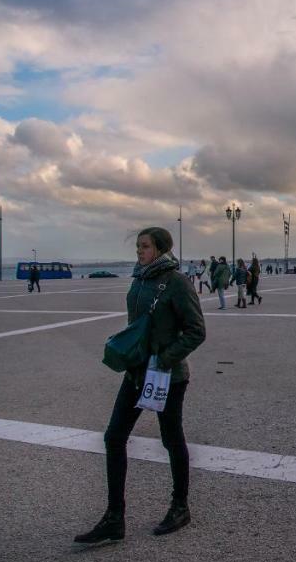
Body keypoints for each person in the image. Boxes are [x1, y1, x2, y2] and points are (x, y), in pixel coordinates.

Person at [74, 227, 205, 544]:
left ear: (161, 249)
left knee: (171, 440)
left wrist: (165, 358)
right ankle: (114, 517)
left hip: (166, 376)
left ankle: (180, 506)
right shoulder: (140, 279)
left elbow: (196, 330)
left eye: (144, 246)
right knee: (114, 437)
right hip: (135, 372)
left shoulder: (176, 282)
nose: (138, 251)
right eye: (137, 246)